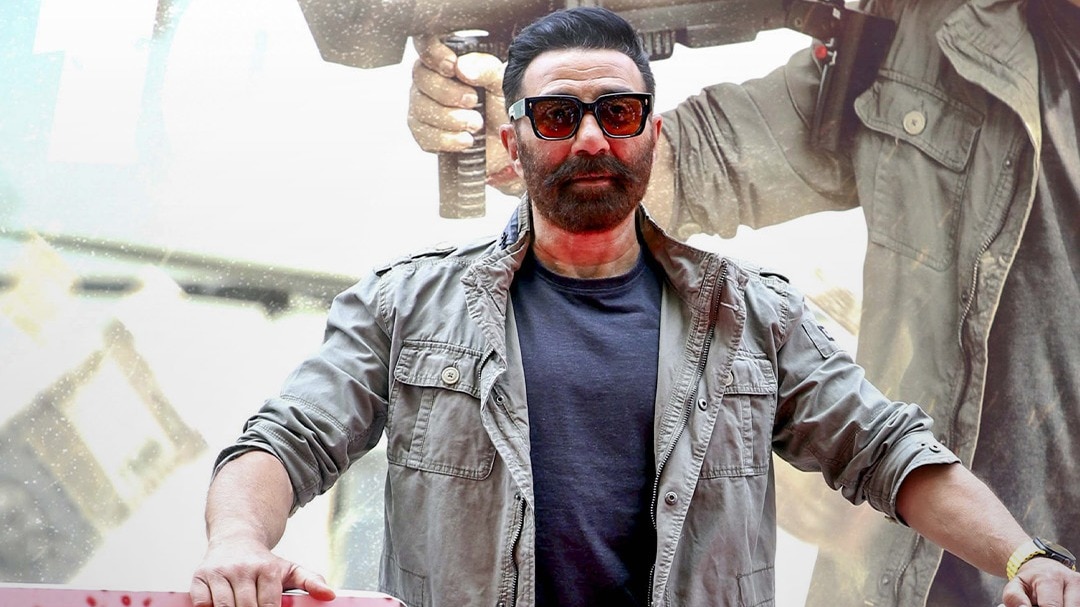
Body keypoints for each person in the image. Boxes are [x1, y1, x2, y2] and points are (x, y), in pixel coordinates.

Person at [190, 7, 1080, 607]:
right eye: (556, 117)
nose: (590, 137)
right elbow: (284, 438)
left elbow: (893, 452)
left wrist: (1026, 555)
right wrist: (235, 542)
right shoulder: (409, 308)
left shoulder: (755, 321)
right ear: (510, 139)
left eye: (618, 114)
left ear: (652, 134)